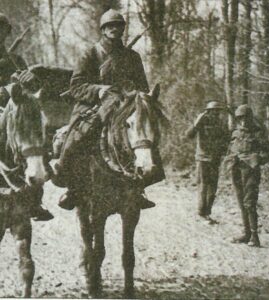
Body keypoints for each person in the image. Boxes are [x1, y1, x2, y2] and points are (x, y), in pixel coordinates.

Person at [52, 9, 159, 210]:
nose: (114, 29)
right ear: (103, 29)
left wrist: (133, 95)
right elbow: (76, 86)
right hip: (93, 105)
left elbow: (142, 87)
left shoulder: (132, 56)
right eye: (110, 26)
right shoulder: (91, 53)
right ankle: (71, 186)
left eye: (118, 26)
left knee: (145, 134)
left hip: (125, 106)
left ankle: (140, 186)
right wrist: (99, 90)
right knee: (77, 137)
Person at [0, 13, 53, 221]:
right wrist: (4, 90)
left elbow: (30, 90)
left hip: (14, 111)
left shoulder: (16, 59)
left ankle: (34, 199)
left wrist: (31, 81)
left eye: (2, 30)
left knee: (34, 140)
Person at [225, 104, 269, 247]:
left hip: (251, 172)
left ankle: (254, 236)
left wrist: (258, 160)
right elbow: (230, 151)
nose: (243, 121)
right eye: (240, 118)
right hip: (236, 170)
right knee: (241, 202)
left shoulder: (258, 134)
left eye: (246, 117)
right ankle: (246, 233)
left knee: (250, 202)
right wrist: (230, 161)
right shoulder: (235, 133)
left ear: (251, 118)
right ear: (238, 119)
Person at [187, 101, 230, 224]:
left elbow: (226, 139)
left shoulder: (220, 124)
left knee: (213, 187)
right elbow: (189, 135)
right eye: (214, 111)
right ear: (208, 111)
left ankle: (207, 213)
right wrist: (196, 123)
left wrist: (223, 152)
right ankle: (201, 213)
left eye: (218, 112)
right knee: (203, 185)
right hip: (203, 158)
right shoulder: (202, 121)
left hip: (214, 159)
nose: (216, 114)